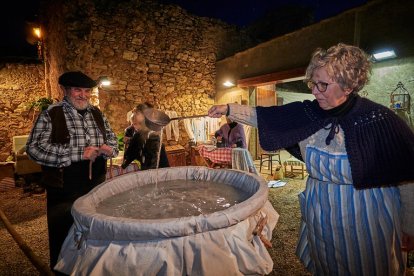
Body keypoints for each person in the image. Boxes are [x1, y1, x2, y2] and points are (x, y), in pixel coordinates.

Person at [208, 43, 414, 275]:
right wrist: (228, 109)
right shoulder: (309, 113)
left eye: (322, 85)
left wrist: (409, 226)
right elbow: (264, 117)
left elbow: (408, 178)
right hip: (321, 213)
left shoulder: (380, 120)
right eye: (312, 84)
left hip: (366, 218)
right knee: (327, 266)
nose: (314, 91)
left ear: (348, 85)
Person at [26, 71, 119, 272]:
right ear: (66, 90)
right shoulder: (51, 114)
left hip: (96, 187)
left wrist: (110, 149)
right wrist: (78, 153)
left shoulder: (97, 114)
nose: (83, 95)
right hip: (64, 190)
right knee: (64, 237)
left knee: (94, 234)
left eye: (87, 91)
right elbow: (34, 149)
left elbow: (112, 140)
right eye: (78, 90)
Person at [122, 103, 169, 170]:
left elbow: (127, 159)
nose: (135, 115)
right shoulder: (155, 133)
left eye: (137, 113)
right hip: (162, 173)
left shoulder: (142, 136)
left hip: (151, 175)